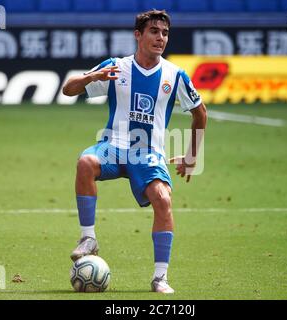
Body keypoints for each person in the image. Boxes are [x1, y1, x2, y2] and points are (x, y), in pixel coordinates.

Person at [62, 9, 207, 294]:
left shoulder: (174, 75)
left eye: (165, 33)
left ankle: (160, 278)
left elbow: (200, 113)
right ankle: (88, 238)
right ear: (138, 35)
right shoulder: (116, 67)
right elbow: (68, 89)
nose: (160, 38)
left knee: (163, 200)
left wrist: (192, 157)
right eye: (154, 31)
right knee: (85, 162)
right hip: (113, 146)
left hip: (148, 153)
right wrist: (93, 77)